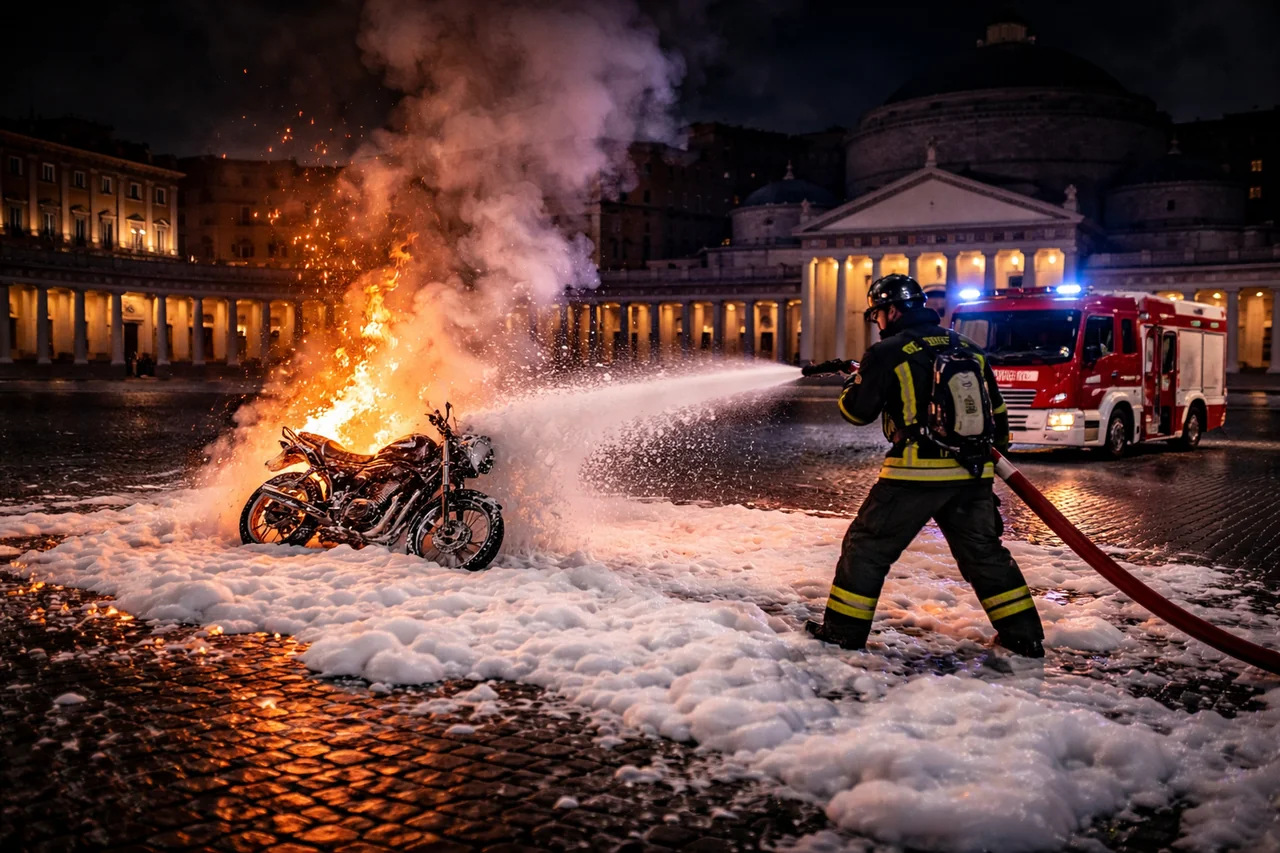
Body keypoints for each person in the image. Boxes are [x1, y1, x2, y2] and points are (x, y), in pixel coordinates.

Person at [804, 274, 1045, 657]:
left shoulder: (887, 352)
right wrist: (984, 467)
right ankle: (1024, 636)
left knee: (866, 548)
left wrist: (854, 382)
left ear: (893, 309)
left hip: (914, 475)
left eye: (878, 314)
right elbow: (998, 415)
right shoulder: (968, 347)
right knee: (984, 555)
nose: (878, 322)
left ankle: (842, 633)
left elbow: (857, 412)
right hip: (973, 473)